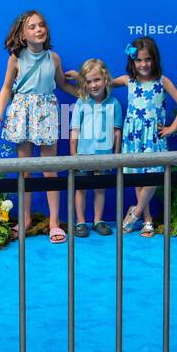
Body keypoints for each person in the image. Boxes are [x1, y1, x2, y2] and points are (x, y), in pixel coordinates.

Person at [0, 11, 83, 244]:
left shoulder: (54, 58)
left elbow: (62, 85)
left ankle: (54, 222)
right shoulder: (15, 57)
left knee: (50, 170)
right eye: (32, 27)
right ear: (23, 33)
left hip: (48, 111)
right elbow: (6, 88)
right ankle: (26, 218)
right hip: (22, 111)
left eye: (42, 25)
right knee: (26, 169)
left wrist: (87, 93)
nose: (39, 29)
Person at [113, 36, 177, 236]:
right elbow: (102, 83)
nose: (143, 64)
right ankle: (147, 220)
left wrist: (172, 128)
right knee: (139, 178)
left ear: (154, 59)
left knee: (153, 176)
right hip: (133, 136)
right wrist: (81, 77)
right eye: (138, 60)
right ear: (132, 61)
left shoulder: (162, 82)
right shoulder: (127, 80)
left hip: (153, 137)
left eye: (147, 59)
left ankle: (135, 213)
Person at [69, 58, 122, 236]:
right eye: (89, 81)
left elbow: (116, 131)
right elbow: (74, 129)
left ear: (105, 79)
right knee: (81, 188)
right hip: (83, 155)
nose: (93, 85)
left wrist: (116, 155)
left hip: (105, 155)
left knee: (100, 188)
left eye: (96, 80)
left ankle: (98, 220)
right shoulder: (81, 103)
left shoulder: (114, 103)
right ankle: (81, 221)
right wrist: (73, 155)